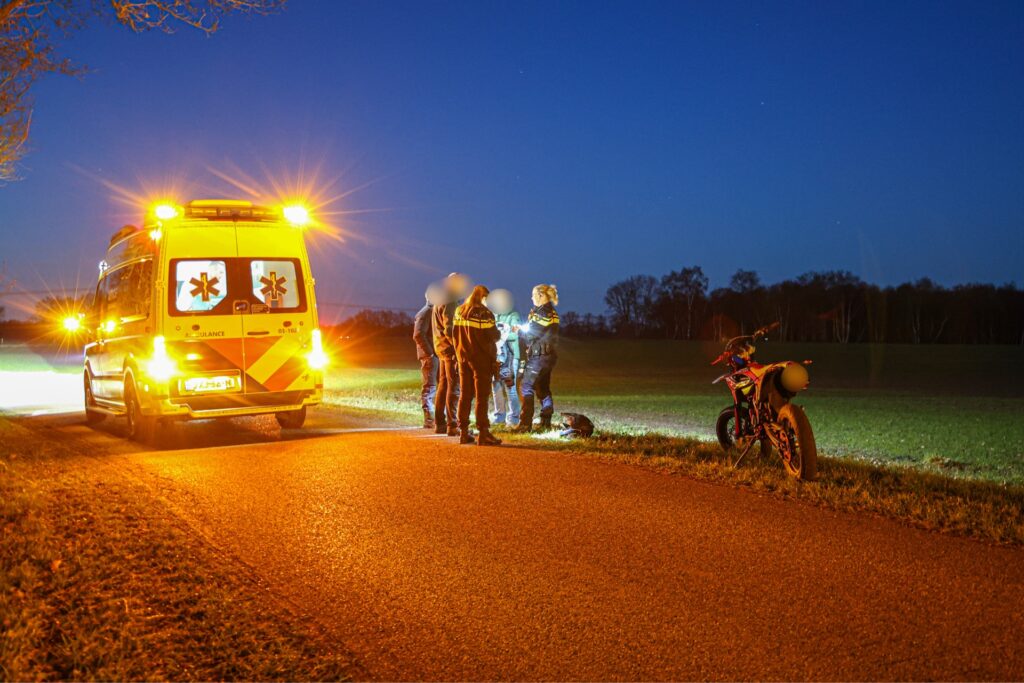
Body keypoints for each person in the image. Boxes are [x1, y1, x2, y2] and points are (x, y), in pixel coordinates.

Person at [452, 284, 502, 446]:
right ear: (483, 297)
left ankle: (463, 432)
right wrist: (499, 330)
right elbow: (494, 336)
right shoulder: (485, 313)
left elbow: (454, 334)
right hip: (481, 359)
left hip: (462, 357)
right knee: (482, 396)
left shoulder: (459, 311)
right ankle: (483, 432)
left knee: (465, 395)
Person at [514, 284, 560, 432]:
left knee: (525, 386)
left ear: (540, 295)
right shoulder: (550, 312)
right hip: (548, 357)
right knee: (543, 389)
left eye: (533, 295)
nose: (531, 298)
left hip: (539, 357)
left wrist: (519, 332)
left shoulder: (543, 312)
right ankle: (546, 421)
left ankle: (525, 424)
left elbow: (532, 334)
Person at [432, 273, 470, 435]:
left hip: (441, 347)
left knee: (444, 385)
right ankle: (452, 424)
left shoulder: (440, 298)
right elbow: (449, 329)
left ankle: (440, 422)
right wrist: (457, 348)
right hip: (449, 350)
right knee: (454, 386)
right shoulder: (451, 300)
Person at [485, 288, 521, 426]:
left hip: (511, 357)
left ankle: (513, 418)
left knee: (510, 388)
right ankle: (499, 416)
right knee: (496, 387)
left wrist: (500, 334)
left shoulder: (514, 315)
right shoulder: (493, 315)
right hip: (495, 356)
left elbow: (514, 335)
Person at [412, 284, 442, 429]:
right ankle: (429, 419)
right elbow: (418, 335)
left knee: (439, 386)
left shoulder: (434, 311)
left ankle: (438, 418)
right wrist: (430, 353)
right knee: (430, 387)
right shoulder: (426, 312)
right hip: (430, 357)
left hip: (435, 355)